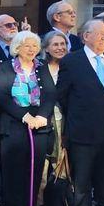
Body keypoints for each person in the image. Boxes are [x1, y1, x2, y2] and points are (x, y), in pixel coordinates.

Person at [56, 19, 104, 206]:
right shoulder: (72, 61)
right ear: (86, 36)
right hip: (83, 128)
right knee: (82, 174)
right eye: (100, 33)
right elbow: (63, 95)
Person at [0, 30, 56, 206]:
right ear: (17, 47)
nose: (31, 49)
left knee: (35, 166)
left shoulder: (41, 67)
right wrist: (24, 116)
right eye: (27, 46)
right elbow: (2, 95)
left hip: (38, 122)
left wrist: (42, 116)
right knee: (14, 165)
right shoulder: (6, 67)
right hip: (14, 121)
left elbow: (50, 94)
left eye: (35, 46)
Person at [40, 32, 69, 189]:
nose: (60, 48)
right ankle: (38, 199)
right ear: (46, 48)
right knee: (42, 167)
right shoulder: (39, 68)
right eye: (55, 44)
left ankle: (59, 200)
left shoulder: (72, 66)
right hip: (45, 122)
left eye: (62, 44)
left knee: (61, 165)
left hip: (65, 120)